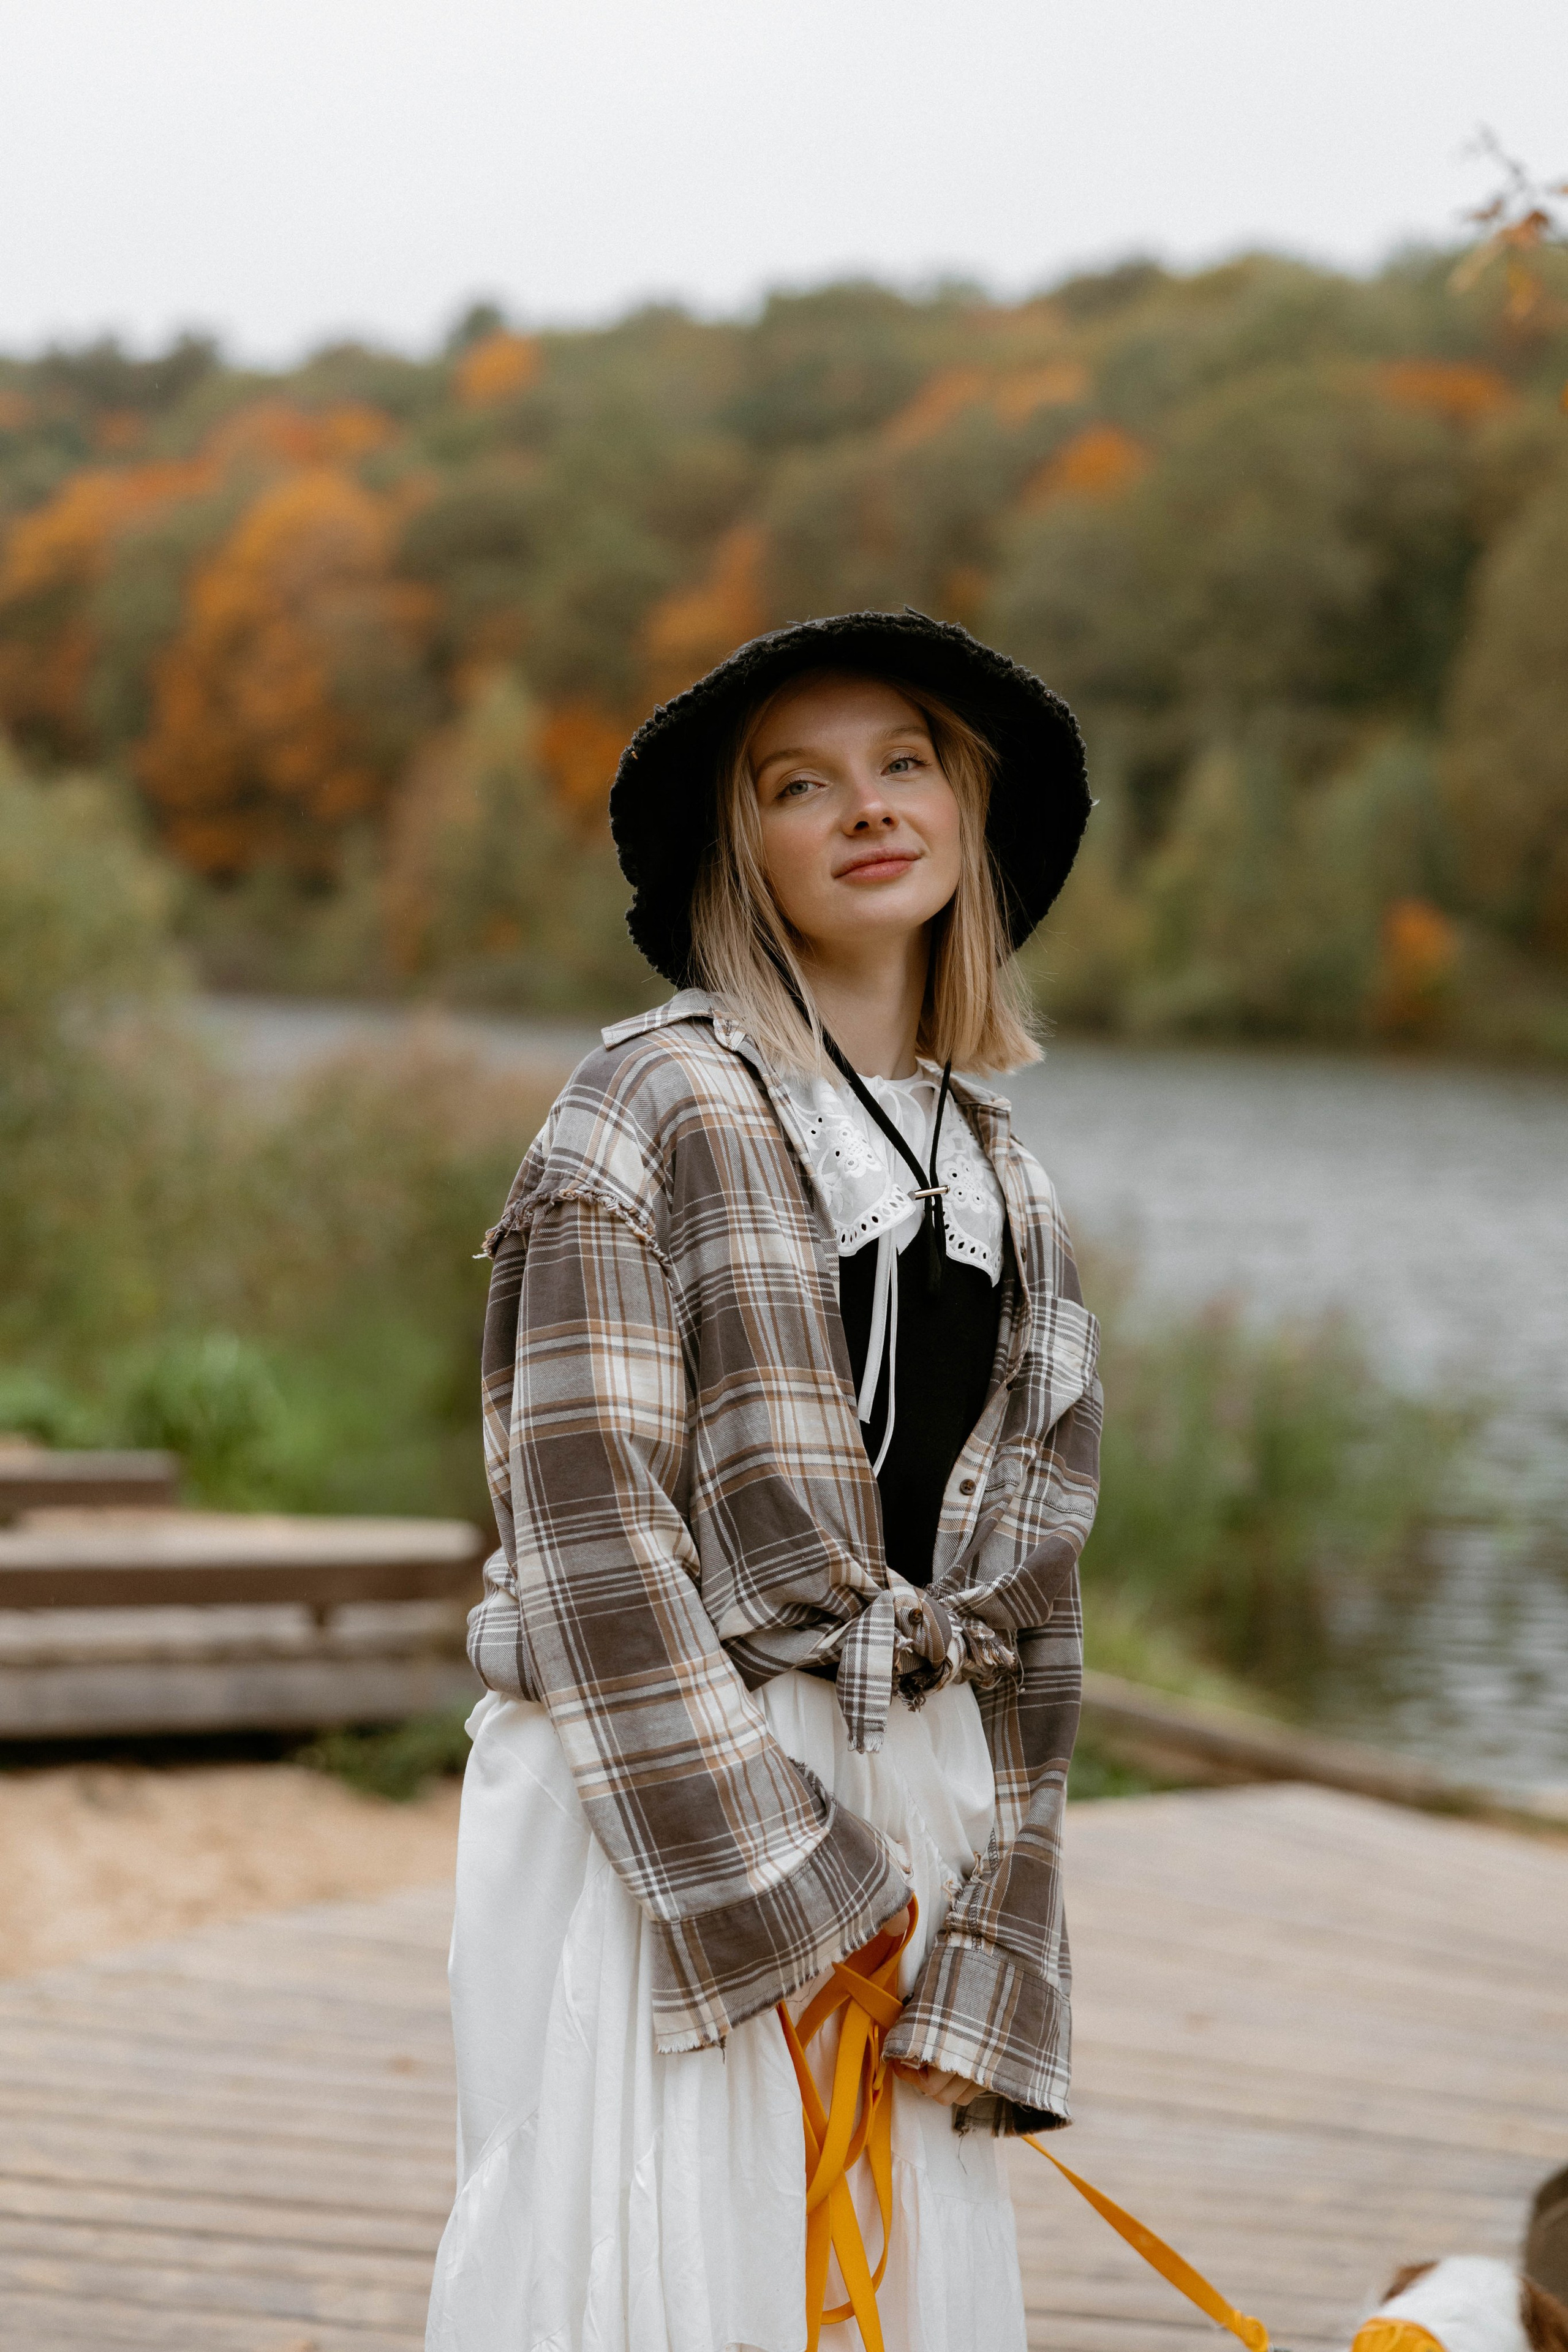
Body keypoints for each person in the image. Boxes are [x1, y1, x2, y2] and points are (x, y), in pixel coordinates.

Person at [424, 610, 1102, 2352]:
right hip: (664, 1793)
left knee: (885, 2272)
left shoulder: (1005, 1174)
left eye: (906, 765)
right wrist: (794, 1885)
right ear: (748, 847)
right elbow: (588, 1540)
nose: (869, 808)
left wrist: (995, 1930)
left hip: (916, 1794)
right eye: (805, 785)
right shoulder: (644, 1105)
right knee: (657, 2261)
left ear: (965, 813)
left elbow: (1032, 1609)